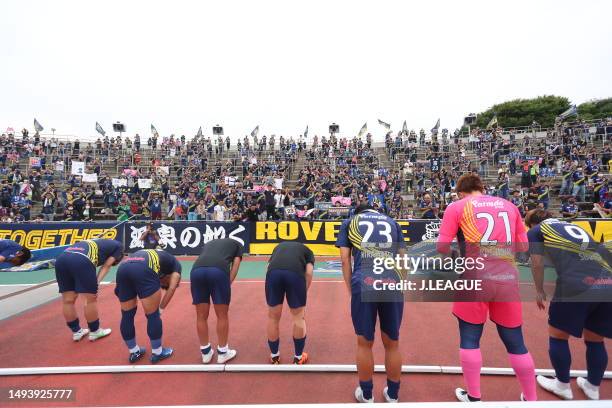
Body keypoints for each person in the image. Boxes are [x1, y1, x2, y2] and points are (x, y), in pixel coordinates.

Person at [437, 173, 537, 402]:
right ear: (481, 187)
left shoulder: (457, 206)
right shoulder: (509, 206)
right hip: (507, 279)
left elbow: (442, 246)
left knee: (470, 338)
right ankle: (531, 399)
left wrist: (457, 254)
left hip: (475, 276)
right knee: (516, 341)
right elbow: (523, 246)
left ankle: (474, 396)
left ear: (461, 192)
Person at [526, 209, 612, 400]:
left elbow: (537, 262)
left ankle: (562, 385)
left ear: (533, 222)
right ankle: (593, 387)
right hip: (606, 282)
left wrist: (539, 290)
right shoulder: (574, 226)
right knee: (596, 339)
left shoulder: (536, 230)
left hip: (576, 283)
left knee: (558, 335)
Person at [336, 203, 406, 403]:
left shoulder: (350, 222)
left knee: (364, 343)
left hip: (364, 280)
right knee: (392, 343)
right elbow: (403, 259)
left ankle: (367, 395)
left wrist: (351, 288)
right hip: (391, 280)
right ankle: (393, 395)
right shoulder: (392, 223)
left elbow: (343, 259)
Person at [115, 249, 182, 363]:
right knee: (153, 316)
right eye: (164, 283)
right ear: (168, 276)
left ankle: (134, 351)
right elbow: (172, 288)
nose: (163, 285)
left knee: (127, 315)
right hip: (143, 268)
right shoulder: (176, 266)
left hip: (123, 268)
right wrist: (160, 309)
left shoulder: (160, 259)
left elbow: (117, 291)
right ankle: (157, 352)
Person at [54, 239, 123, 341]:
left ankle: (76, 332)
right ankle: (95, 331)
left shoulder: (98, 243)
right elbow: (106, 266)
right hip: (81, 260)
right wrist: (97, 283)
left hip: (61, 259)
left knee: (68, 300)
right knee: (89, 299)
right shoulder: (119, 246)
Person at [190, 238, 243, 364]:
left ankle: (206, 353)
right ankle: (223, 353)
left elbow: (203, 257)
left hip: (196, 270)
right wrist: (227, 282)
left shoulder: (209, 244)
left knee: (201, 316)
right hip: (218, 271)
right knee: (222, 315)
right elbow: (235, 264)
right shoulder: (238, 244)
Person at [265, 242, 315, 364]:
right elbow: (308, 272)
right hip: (295, 274)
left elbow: (268, 267)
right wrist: (304, 290)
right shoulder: (308, 251)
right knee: (298, 317)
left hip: (273, 274)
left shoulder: (278, 247)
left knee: (273, 317)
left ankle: (274, 356)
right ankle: (298, 357)